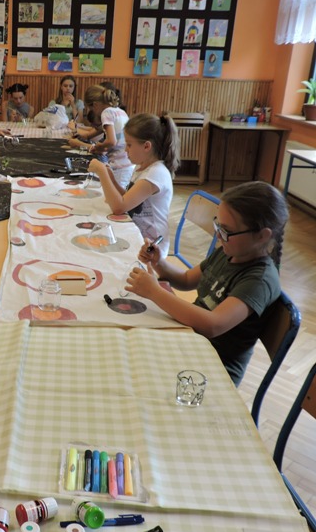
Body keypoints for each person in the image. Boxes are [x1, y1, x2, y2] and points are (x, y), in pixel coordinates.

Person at [126, 181, 288, 386]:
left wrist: (155, 292)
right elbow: (186, 280)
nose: (218, 235)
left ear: (262, 235)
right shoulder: (229, 252)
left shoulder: (260, 280)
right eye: (218, 226)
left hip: (212, 370)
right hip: (191, 343)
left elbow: (213, 325)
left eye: (226, 230)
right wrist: (158, 263)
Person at [88, 113, 179, 254]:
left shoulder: (156, 173)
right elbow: (128, 199)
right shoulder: (141, 167)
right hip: (136, 235)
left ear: (146, 146)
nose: (126, 149)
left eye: (129, 145)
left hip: (151, 249)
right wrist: (111, 179)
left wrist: (102, 172)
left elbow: (119, 207)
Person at [69, 84, 133, 188]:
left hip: (119, 164)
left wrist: (98, 146)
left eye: (91, 109)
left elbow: (111, 141)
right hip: (128, 163)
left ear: (95, 105)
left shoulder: (106, 113)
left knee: (115, 194)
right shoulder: (120, 111)